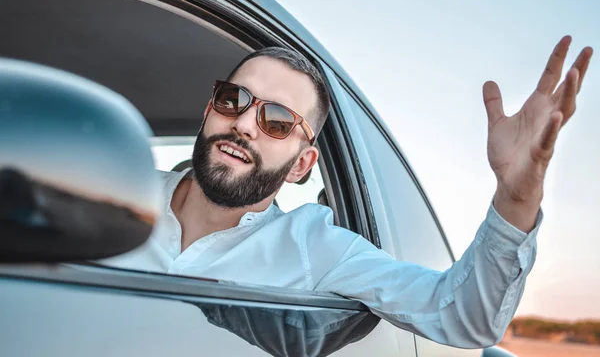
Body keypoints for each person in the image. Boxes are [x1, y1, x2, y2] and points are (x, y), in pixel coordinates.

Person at [102, 36, 592, 348]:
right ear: (211, 110)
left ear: (302, 165)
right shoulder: (104, 192)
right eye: (234, 100)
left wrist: (518, 195)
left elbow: (464, 317)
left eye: (276, 120)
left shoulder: (316, 248)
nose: (246, 124)